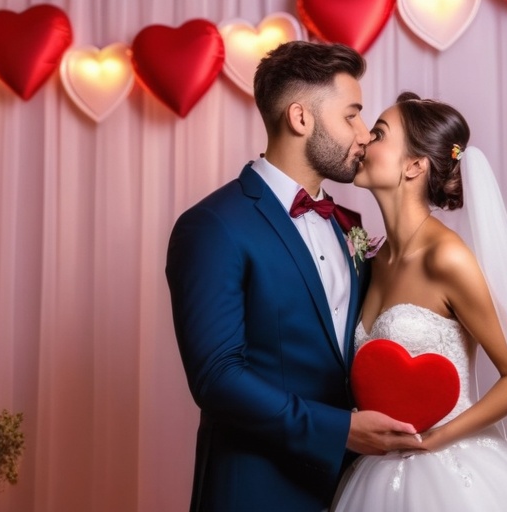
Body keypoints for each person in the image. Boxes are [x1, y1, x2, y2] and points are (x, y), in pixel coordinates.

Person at [166, 41, 422, 512]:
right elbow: (217, 377)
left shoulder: (349, 223)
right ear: (301, 118)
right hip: (256, 488)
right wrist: (340, 430)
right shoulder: (212, 226)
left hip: (354, 487)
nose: (364, 135)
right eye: (352, 116)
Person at [332, 92, 507, 511]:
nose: (363, 140)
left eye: (379, 133)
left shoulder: (445, 257)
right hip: (375, 470)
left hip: (451, 476)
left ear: (415, 165)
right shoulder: (373, 261)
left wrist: (436, 439)